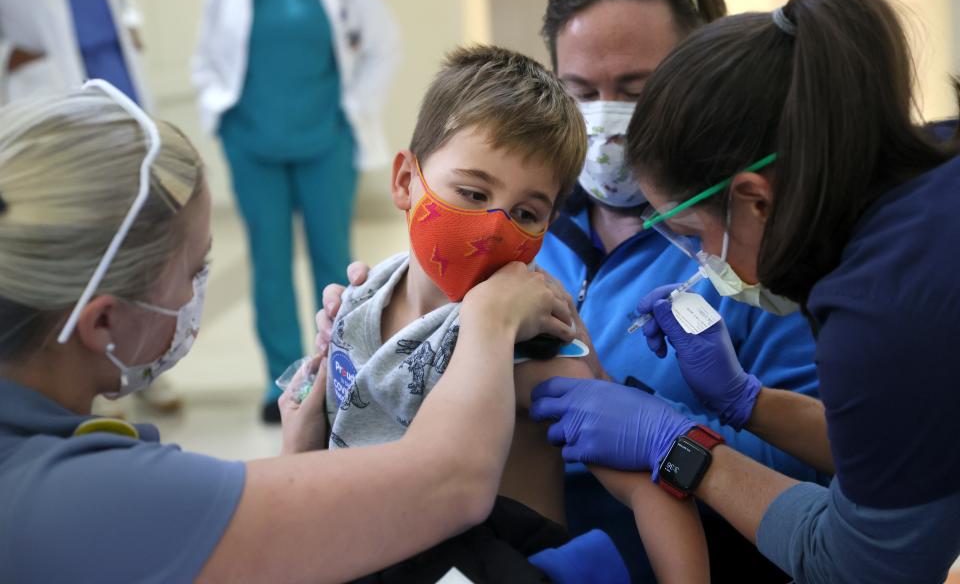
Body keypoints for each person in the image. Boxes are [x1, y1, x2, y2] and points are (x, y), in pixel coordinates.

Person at [318, 0, 822, 580]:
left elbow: (828, 479)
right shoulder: (523, 230)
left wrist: (672, 438)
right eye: (581, 90)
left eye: (637, 90)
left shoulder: (747, 248)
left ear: (701, 87)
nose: (606, 120)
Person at [0, 83, 581, 582]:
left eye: (528, 212)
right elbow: (447, 484)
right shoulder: (82, 498)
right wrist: (491, 317)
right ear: (101, 320)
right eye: (194, 271)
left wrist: (299, 451)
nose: (491, 227)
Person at [530, 0, 960, 583]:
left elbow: (857, 566)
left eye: (692, 234)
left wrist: (678, 444)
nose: (703, 259)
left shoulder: (879, 307)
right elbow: (906, 448)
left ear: (754, 202)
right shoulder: (933, 176)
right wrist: (748, 404)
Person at [318, 44, 708, 582]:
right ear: (407, 182)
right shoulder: (359, 302)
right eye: (473, 192)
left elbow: (650, 480)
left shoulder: (534, 345)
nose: (495, 226)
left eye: (526, 213)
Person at [192, 0, 399, 422]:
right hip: (251, 143)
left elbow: (383, 45)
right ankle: (278, 380)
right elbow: (205, 58)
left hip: (326, 141)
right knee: (269, 264)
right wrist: (221, 118)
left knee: (335, 264)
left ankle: (338, 374)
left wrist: (357, 110)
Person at [0, 0, 185, 414]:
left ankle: (144, 368)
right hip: (60, 125)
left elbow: (120, 5)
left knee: (139, 251)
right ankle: (85, 382)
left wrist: (131, 26)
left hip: (122, 109)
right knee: (85, 258)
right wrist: (10, 56)